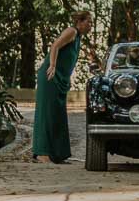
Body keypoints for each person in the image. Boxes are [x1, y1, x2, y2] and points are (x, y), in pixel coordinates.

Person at [32, 10, 95, 164]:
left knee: (57, 115)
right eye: (89, 22)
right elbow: (55, 46)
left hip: (61, 79)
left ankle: (57, 154)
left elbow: (68, 59)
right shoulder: (71, 31)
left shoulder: (78, 37)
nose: (91, 25)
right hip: (50, 76)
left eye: (92, 22)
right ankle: (42, 152)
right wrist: (52, 65)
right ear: (79, 22)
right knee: (47, 113)